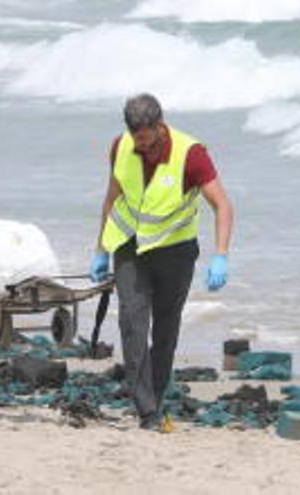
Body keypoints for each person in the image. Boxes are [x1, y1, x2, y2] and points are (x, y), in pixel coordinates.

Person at [89, 93, 233, 430]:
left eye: (147, 142)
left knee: (166, 329)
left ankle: (156, 394)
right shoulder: (121, 147)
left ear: (160, 127)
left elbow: (222, 205)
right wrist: (100, 249)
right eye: (136, 141)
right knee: (132, 321)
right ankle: (147, 411)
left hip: (175, 252)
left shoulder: (191, 155)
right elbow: (112, 197)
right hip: (130, 247)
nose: (142, 148)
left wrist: (221, 255)